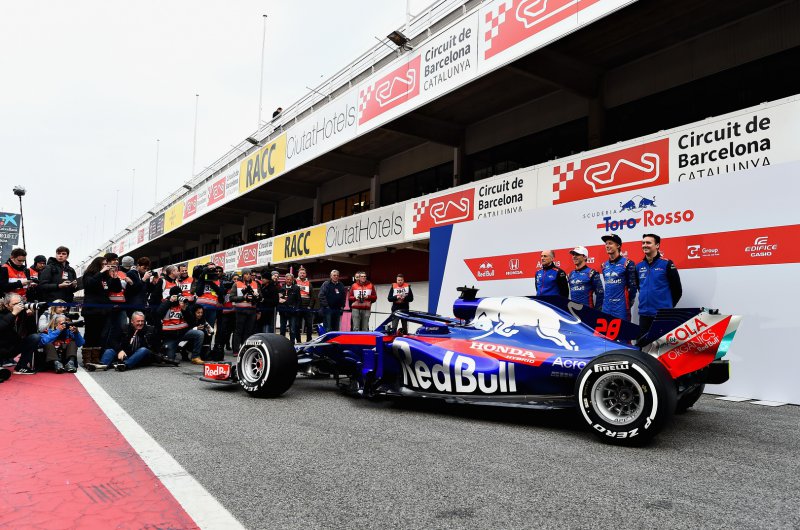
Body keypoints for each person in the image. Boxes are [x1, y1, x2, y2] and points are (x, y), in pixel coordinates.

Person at [637, 233, 683, 336]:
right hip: (644, 315)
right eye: (643, 243)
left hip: (662, 316)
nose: (645, 245)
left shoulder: (667, 264)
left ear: (657, 245)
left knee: (661, 345)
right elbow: (640, 288)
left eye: (648, 243)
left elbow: (677, 290)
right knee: (642, 344)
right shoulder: (639, 266)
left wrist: (666, 308)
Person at [80, 256, 119, 366]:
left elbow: (116, 289)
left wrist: (115, 278)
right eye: (103, 264)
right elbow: (90, 284)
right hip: (91, 310)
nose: (106, 266)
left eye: (106, 264)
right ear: (97, 265)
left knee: (100, 335)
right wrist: (101, 272)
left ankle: (96, 358)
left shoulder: (106, 277)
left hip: (104, 310)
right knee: (90, 334)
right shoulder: (89, 275)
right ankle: (87, 359)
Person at [92, 311, 159, 372]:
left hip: (143, 357)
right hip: (127, 354)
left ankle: (124, 365)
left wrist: (141, 333)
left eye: (142, 321)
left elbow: (154, 347)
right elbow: (112, 341)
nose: (140, 323)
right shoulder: (125, 328)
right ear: (132, 321)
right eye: (138, 321)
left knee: (143, 350)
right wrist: (120, 350)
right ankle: (102, 365)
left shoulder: (150, 330)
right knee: (110, 350)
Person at [157, 286, 204, 364]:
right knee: (169, 359)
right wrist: (170, 301)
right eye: (176, 296)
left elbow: (191, 322)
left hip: (183, 333)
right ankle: (177, 348)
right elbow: (158, 314)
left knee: (199, 334)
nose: (178, 298)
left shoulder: (183, 304)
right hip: (170, 336)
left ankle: (195, 357)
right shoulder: (166, 303)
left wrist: (184, 310)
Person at [0, 293, 41, 374]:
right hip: (1, 347)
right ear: (7, 305)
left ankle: (21, 366)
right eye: (15, 304)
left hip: (13, 346)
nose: (18, 306)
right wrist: (13, 313)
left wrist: (30, 317)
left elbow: (32, 331)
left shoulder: (23, 312)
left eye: (19, 303)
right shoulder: (1, 312)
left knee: (35, 337)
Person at [601, 234, 638, 321]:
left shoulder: (628, 263)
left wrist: (628, 303)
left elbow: (633, 287)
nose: (607, 246)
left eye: (610, 243)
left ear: (618, 245)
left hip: (621, 308)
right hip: (606, 307)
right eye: (606, 243)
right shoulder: (604, 265)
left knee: (624, 330)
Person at [231, 269, 261, 352]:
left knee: (249, 331)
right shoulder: (236, 284)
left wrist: (257, 296)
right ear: (243, 275)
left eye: (249, 274)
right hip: (240, 311)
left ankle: (245, 349)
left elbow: (260, 297)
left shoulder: (255, 284)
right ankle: (236, 350)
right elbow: (231, 298)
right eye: (246, 274)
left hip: (252, 311)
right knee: (238, 331)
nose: (248, 275)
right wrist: (243, 298)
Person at [278, 273, 301, 343]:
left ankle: (292, 343)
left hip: (292, 312)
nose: (289, 281)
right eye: (287, 279)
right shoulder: (281, 288)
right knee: (282, 329)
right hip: (283, 311)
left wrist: (296, 309)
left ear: (292, 280)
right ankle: (282, 342)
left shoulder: (296, 288)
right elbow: (278, 299)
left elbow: (299, 300)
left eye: (290, 280)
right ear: (285, 279)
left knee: (292, 329)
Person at [295, 267, 315, 342]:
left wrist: (310, 306)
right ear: (298, 274)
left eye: (304, 273)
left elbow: (313, 296)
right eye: (301, 273)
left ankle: (309, 340)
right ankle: (298, 341)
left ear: (306, 274)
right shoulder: (295, 282)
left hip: (307, 307)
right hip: (298, 307)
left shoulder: (309, 283)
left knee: (309, 325)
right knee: (297, 325)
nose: (302, 274)